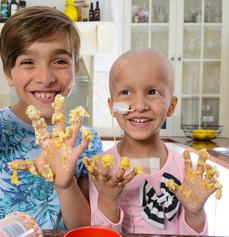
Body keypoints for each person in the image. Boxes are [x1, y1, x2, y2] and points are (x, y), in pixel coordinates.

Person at [0, 6, 102, 230]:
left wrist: (66, 185)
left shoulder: (85, 141)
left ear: (76, 68)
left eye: (60, 61)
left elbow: (84, 229)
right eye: (27, 62)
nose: (45, 78)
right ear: (8, 72)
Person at [88, 49, 219, 235]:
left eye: (152, 92)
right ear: (112, 107)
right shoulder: (102, 170)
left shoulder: (184, 170)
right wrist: (108, 200)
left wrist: (194, 213)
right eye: (126, 92)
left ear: (171, 106)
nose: (140, 106)